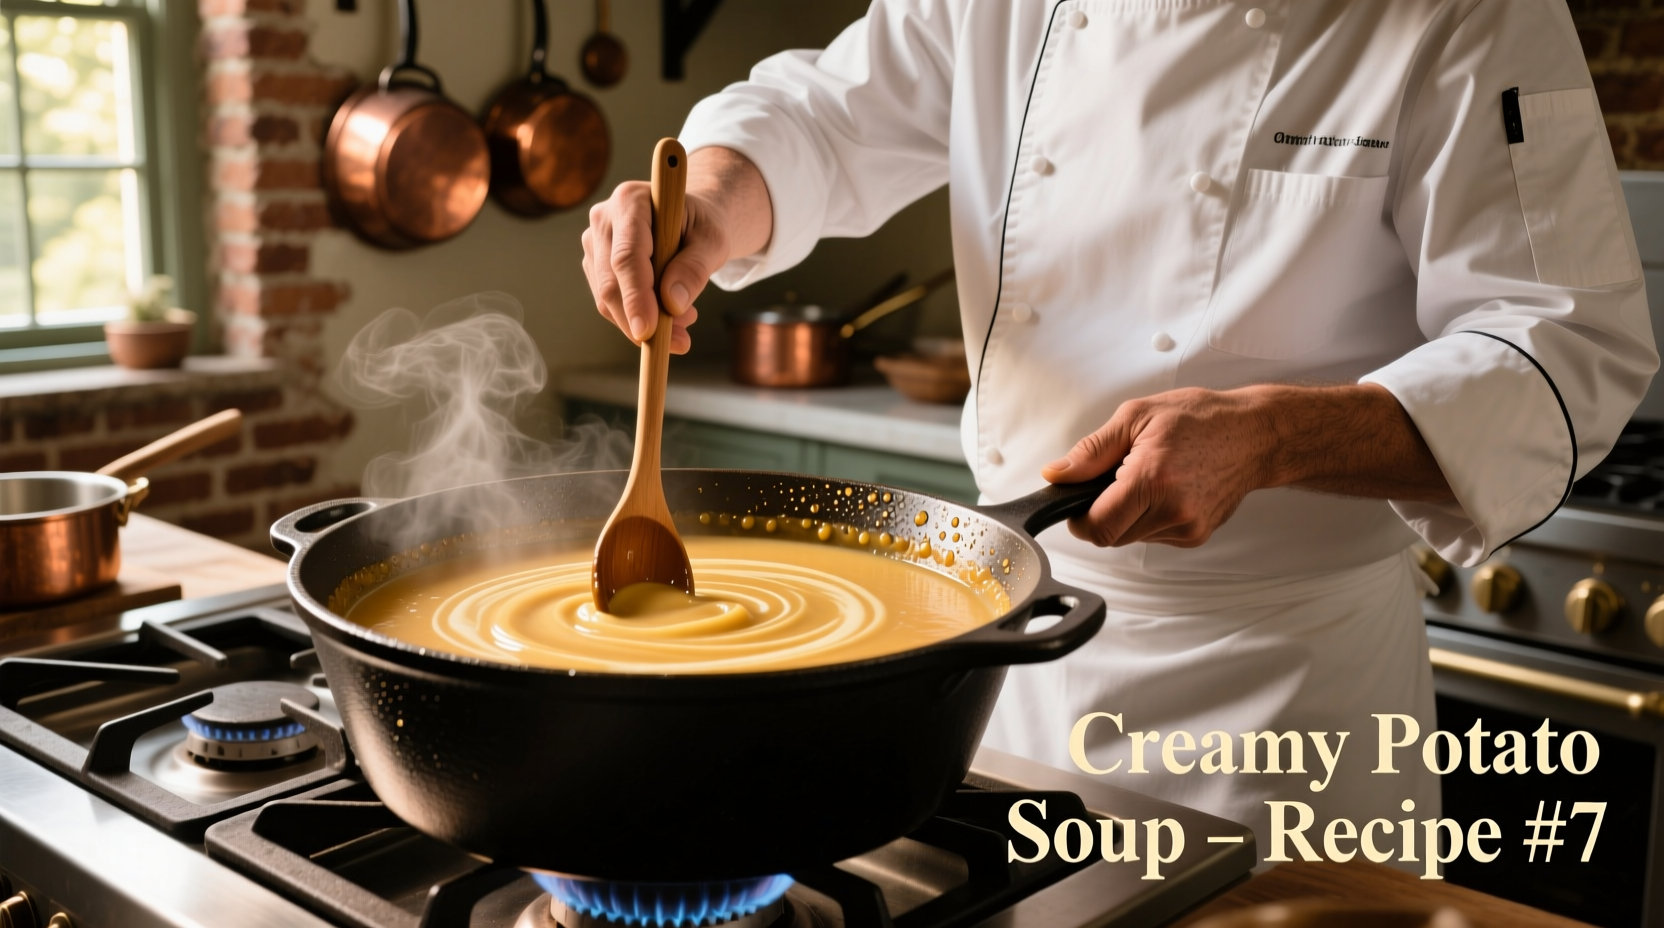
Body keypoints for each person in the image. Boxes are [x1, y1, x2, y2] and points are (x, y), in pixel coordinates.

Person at [580, 0, 1658, 863]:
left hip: (1284, 710)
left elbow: (1570, 347)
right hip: (1010, 668)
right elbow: (827, 116)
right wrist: (711, 202)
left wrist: (1274, 435)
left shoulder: (1469, 14)